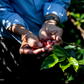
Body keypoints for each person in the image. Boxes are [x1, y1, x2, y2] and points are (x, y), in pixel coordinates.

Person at [0, 0, 71, 84]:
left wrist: (50, 21)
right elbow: (2, 9)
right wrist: (23, 33)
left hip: (51, 35)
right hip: (11, 40)